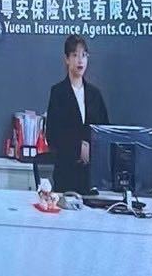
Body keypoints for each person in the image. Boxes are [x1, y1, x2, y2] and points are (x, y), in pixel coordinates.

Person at [45, 34, 110, 193]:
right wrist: (78, 147)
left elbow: (105, 132)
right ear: (67, 59)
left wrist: (91, 148)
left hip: (92, 177)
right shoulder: (58, 92)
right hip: (66, 174)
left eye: (84, 55)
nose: (80, 60)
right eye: (75, 55)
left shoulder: (95, 95)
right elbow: (52, 135)